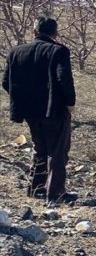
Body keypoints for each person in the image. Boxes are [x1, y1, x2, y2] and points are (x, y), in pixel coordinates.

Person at [2, 16, 77, 204]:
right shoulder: (59, 51)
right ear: (55, 33)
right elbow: (63, 79)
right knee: (57, 152)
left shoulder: (16, 52)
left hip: (29, 112)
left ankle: (35, 188)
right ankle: (56, 193)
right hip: (54, 110)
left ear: (34, 31)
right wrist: (70, 103)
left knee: (39, 148)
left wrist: (23, 98)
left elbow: (5, 82)